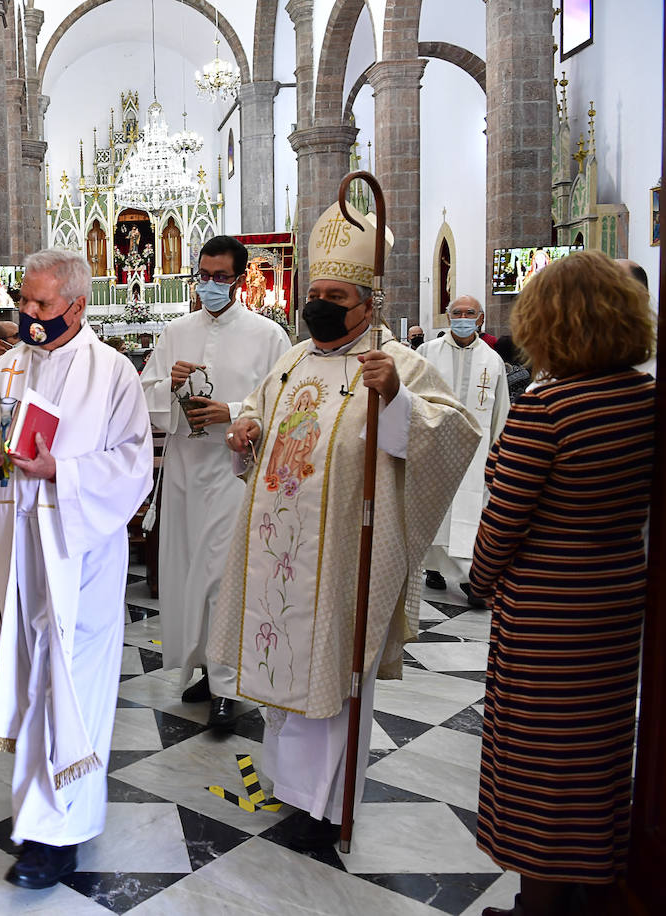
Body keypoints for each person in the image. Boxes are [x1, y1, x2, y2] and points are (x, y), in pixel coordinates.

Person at [211, 202, 480, 852]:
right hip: (281, 550)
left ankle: (327, 808)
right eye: (316, 295)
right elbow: (260, 414)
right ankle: (287, 788)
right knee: (282, 672)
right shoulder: (293, 360)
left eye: (336, 296)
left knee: (333, 682)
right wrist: (246, 429)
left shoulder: (395, 363)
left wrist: (398, 400)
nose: (321, 305)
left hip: (340, 559)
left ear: (366, 304)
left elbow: (457, 433)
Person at [0, 249, 153, 889]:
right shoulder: (4, 371)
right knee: (31, 680)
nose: (29, 316)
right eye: (25, 304)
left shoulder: (112, 374)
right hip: (20, 560)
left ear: (77, 305)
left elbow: (133, 466)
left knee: (74, 687)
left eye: (42, 306)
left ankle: (57, 837)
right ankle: (38, 822)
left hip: (82, 561)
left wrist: (60, 471)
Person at [469, 251, 655, 916]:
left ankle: (538, 902)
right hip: (614, 597)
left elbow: (503, 523)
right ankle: (594, 884)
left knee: (539, 761)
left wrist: (481, 582)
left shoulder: (549, 408)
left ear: (549, 323)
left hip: (548, 610)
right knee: (598, 749)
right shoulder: (645, 399)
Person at [139, 236, 290, 725]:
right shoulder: (176, 331)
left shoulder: (269, 337)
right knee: (187, 573)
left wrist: (235, 411)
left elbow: (285, 407)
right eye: (203, 276)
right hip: (185, 466)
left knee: (224, 576)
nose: (209, 285)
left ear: (242, 279)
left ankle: (229, 683)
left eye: (221, 277)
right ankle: (203, 668)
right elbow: (145, 396)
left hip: (236, 471)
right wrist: (172, 386)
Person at [416, 296, 509, 605]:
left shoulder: (492, 360)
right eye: (457, 313)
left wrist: (498, 450)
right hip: (436, 446)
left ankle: (471, 576)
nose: (463, 317)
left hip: (477, 449)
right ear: (447, 317)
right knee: (436, 509)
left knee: (471, 510)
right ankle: (433, 568)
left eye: (470, 313)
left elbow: (501, 409)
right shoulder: (427, 352)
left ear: (480, 319)